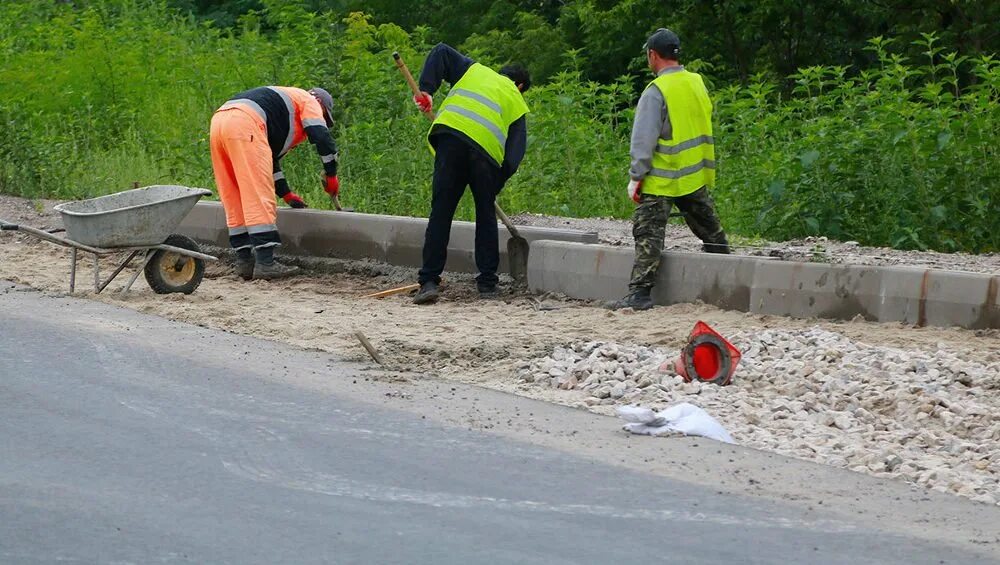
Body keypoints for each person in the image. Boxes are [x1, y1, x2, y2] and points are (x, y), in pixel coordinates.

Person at [607, 28, 730, 311]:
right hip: (693, 174)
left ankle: (639, 294)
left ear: (653, 55)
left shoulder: (656, 91)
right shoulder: (696, 82)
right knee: (711, 230)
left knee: (647, 234)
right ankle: (731, 274)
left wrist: (636, 176)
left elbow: (643, 139)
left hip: (662, 178)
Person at [409, 43, 531, 305]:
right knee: (485, 215)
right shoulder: (516, 99)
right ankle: (487, 283)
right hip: (484, 155)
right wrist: (495, 184)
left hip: (450, 140)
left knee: (441, 212)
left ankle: (428, 281)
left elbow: (441, 51)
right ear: (520, 85)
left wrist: (427, 89)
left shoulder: (474, 70)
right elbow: (514, 154)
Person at [210, 86, 341, 280]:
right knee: (258, 194)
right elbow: (322, 137)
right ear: (320, 104)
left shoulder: (281, 108)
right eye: (323, 116)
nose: (321, 119)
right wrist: (331, 175)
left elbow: (269, 161)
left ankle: (244, 261)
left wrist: (286, 194)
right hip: (245, 123)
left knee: (233, 193)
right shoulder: (309, 101)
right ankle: (265, 263)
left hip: (219, 122)